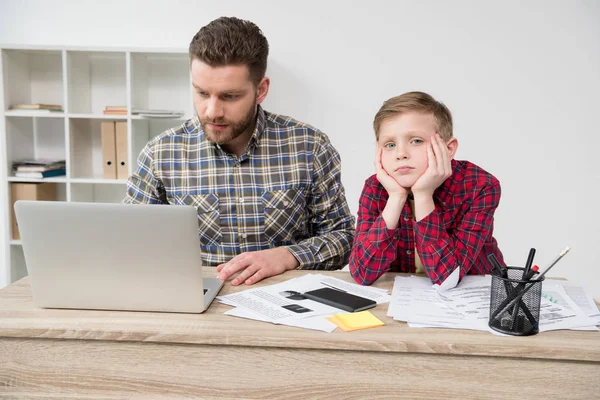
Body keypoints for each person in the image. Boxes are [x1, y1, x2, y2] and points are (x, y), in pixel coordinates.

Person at [123, 17, 355, 286]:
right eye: (201, 93)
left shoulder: (310, 147)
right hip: (197, 303)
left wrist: (286, 256)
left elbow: (343, 236)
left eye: (229, 96)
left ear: (261, 90)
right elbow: (130, 241)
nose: (212, 111)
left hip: (286, 305)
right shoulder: (160, 154)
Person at [349, 91, 504, 286]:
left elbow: (447, 278)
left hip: (473, 296)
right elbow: (362, 273)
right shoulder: (375, 187)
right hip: (405, 299)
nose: (401, 154)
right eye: (389, 144)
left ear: (448, 149)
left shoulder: (480, 185)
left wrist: (423, 195)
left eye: (416, 141)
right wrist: (396, 197)